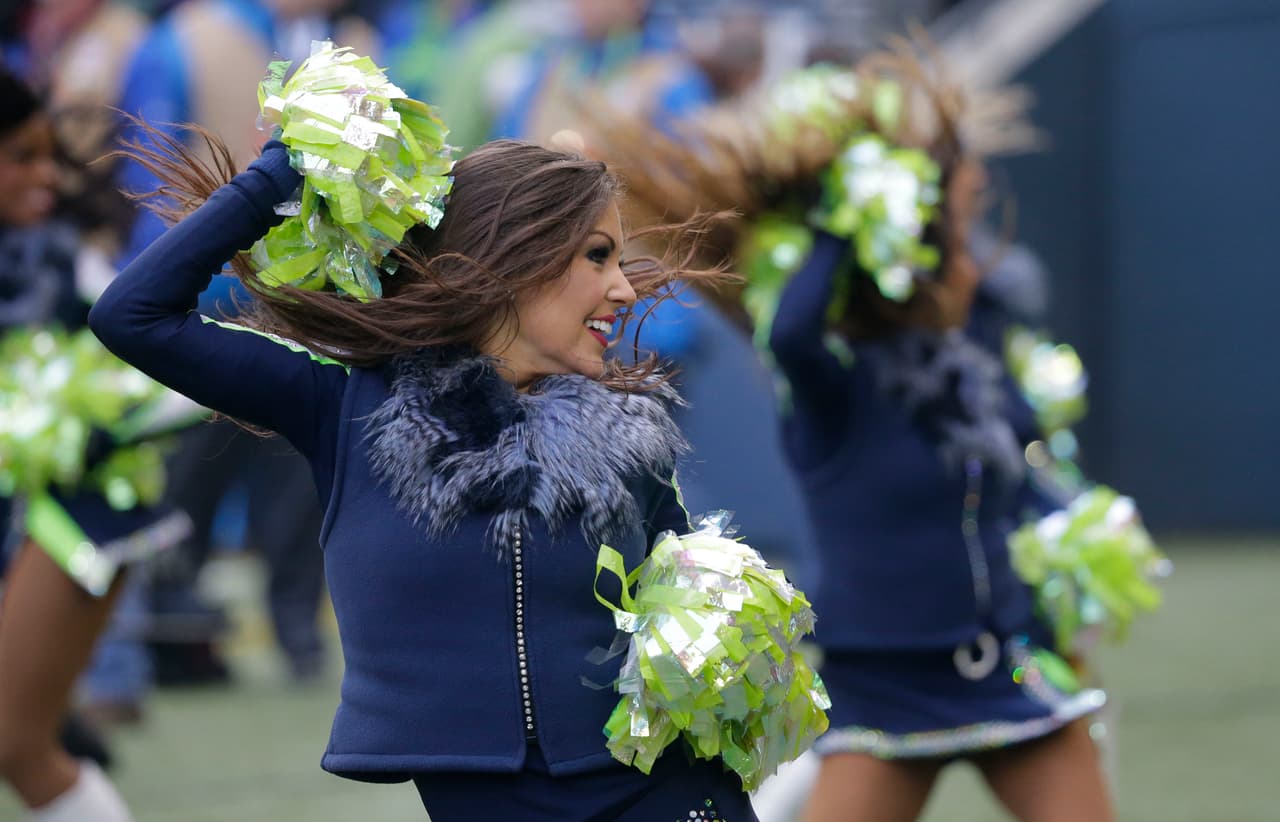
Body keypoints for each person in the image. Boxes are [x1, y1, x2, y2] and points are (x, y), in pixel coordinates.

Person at [86, 66, 809, 816]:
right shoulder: (348, 408)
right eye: (597, 256)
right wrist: (292, 163)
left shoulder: (630, 436)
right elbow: (133, 316)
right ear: (513, 259)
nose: (625, 290)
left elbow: (685, 611)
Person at [586, 50, 1114, 821]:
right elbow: (793, 325)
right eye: (959, 239)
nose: (976, 262)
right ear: (919, 260)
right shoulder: (832, 385)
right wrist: (850, 206)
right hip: (883, 685)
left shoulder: (975, 365)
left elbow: (1028, 497)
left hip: (1001, 662)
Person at [0, 66, 200, 822]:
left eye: (47, 155)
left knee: (17, 746)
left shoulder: (70, 267)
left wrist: (77, 428)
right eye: (20, 156)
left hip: (74, 517)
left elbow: (170, 388)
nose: (44, 176)